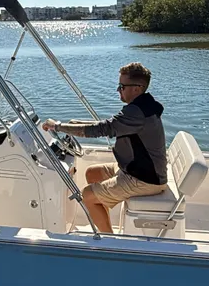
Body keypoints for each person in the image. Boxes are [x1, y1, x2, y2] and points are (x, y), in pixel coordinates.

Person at [42, 62, 167, 233]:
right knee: (92, 173)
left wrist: (57, 126)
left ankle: (108, 241)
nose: (118, 89)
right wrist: (72, 124)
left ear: (137, 89)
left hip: (144, 179)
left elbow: (101, 129)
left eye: (122, 86)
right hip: (138, 169)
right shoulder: (144, 106)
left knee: (87, 195)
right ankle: (105, 224)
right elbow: (107, 125)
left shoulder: (135, 113)